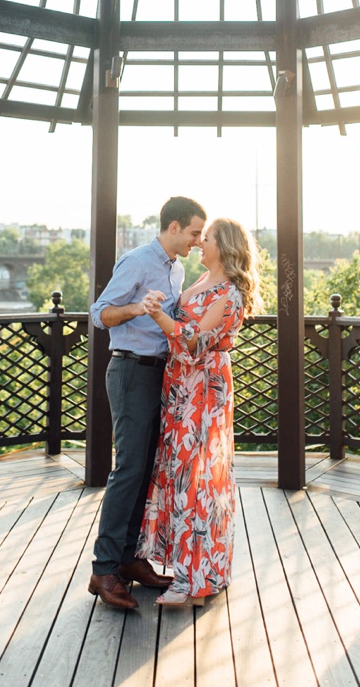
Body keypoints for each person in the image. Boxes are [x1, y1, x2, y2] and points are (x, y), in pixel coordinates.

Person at [85, 196, 205, 611]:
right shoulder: (137, 261)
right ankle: (104, 570)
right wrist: (138, 307)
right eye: (193, 232)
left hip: (160, 374)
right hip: (131, 371)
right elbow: (98, 314)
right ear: (173, 227)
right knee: (129, 469)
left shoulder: (178, 268)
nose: (197, 240)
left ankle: (130, 560)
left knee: (146, 469)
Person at [136, 217, 256, 607]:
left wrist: (157, 316)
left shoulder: (230, 293)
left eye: (207, 239)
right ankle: (197, 573)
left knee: (198, 477)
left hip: (203, 387)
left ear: (225, 246)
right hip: (179, 387)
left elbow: (195, 343)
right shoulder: (199, 283)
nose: (200, 244)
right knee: (179, 471)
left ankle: (194, 582)